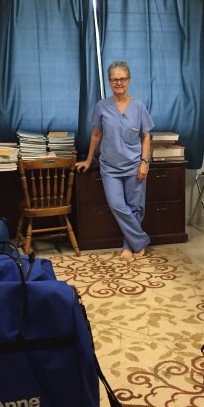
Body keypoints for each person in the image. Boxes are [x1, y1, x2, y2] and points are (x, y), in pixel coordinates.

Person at [76, 61, 154, 260]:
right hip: (110, 167)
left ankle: (129, 246)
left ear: (129, 80)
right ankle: (141, 241)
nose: (119, 83)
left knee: (135, 207)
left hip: (134, 165)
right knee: (117, 205)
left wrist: (144, 163)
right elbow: (96, 135)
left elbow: (146, 137)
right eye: (114, 80)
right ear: (109, 82)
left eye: (122, 79)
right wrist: (88, 160)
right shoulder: (102, 106)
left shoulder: (138, 106)